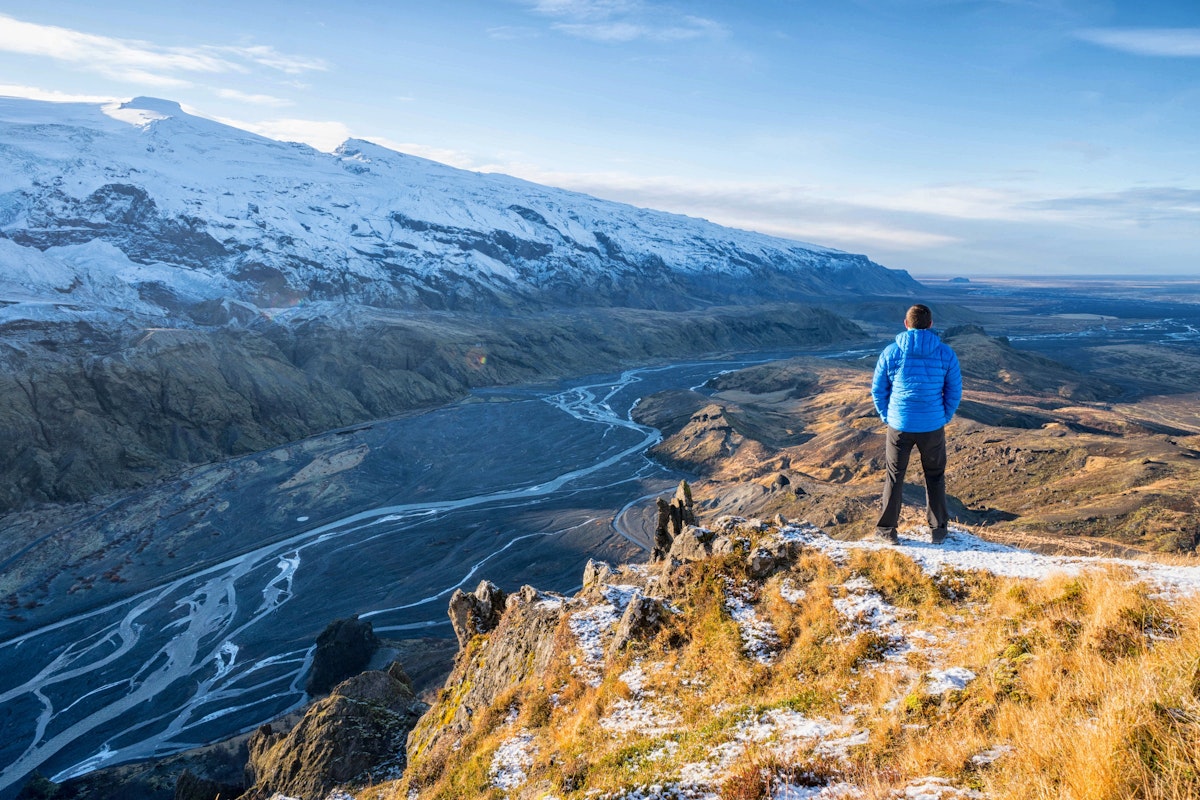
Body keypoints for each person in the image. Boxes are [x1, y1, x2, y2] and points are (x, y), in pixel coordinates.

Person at [871, 304, 962, 544]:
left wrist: (887, 416)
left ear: (906, 324)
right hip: (932, 426)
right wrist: (943, 417)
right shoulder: (945, 353)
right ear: (931, 325)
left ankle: (886, 531)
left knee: (894, 476)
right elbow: (954, 391)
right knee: (935, 476)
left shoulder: (891, 352)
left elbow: (878, 390)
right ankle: (939, 531)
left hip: (899, 425)